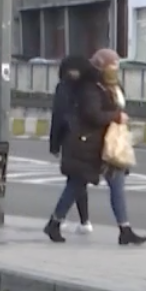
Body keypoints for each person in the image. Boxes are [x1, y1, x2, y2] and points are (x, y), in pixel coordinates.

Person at [43, 50, 146, 245]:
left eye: (117, 66)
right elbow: (92, 114)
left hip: (108, 145)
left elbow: (115, 106)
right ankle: (54, 223)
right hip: (89, 144)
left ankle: (125, 229)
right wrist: (115, 116)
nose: (115, 70)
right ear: (101, 67)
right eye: (112, 66)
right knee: (75, 185)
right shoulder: (90, 88)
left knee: (116, 185)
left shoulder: (112, 86)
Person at [48, 56, 92, 235]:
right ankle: (83, 221)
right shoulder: (89, 87)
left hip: (70, 140)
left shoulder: (64, 88)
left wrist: (54, 144)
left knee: (76, 180)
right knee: (78, 180)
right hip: (88, 139)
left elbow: (58, 117)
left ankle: (58, 220)